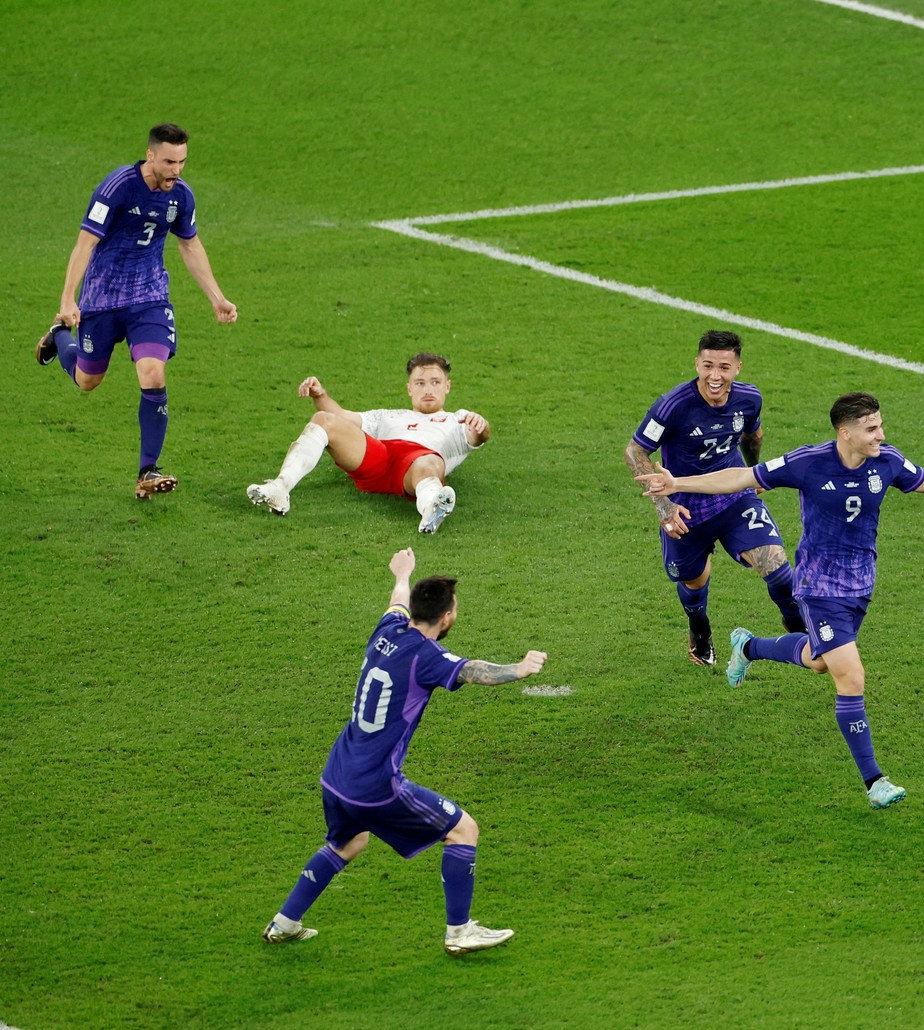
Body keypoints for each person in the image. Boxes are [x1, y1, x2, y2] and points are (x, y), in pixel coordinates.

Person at [638, 392, 924, 809]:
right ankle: (875, 783)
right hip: (818, 587)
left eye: (880, 425)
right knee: (850, 677)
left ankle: (747, 647)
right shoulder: (808, 462)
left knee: (820, 662)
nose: (881, 434)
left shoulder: (886, 460)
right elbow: (742, 477)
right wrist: (677, 484)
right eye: (872, 428)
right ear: (846, 432)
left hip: (861, 585)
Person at [262, 547, 548, 954]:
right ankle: (460, 931)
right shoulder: (425, 657)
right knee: (463, 829)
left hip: (338, 773)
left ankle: (285, 922)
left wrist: (402, 573)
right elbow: (472, 671)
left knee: (349, 843)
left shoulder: (387, 631)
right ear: (447, 617)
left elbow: (396, 602)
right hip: (377, 785)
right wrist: (518, 669)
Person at [36, 123, 238, 500]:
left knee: (153, 373)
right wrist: (68, 299)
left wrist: (217, 297)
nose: (176, 170)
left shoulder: (181, 196)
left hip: (149, 297)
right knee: (87, 381)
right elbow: (85, 243)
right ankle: (59, 336)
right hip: (102, 298)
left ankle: (148, 470)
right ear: (150, 156)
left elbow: (190, 246)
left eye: (182, 161)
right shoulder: (116, 188)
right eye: (168, 162)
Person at [624, 330, 805, 667]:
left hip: (733, 494)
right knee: (693, 580)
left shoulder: (749, 399)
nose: (714, 376)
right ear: (697, 364)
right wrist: (664, 507)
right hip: (685, 508)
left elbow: (753, 434)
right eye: (707, 366)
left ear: (737, 368)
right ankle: (699, 627)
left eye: (724, 367)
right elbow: (635, 451)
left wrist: (754, 472)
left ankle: (799, 629)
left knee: (777, 567)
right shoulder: (673, 406)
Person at [247, 353, 489, 533]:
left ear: (447, 386)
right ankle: (280, 488)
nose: (428, 389)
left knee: (429, 461)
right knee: (323, 420)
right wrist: (320, 395)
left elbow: (478, 436)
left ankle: (430, 510)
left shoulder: (458, 419)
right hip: (379, 458)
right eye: (420, 383)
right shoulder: (388, 415)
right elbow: (342, 417)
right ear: (409, 389)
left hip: (418, 468)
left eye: (435, 382)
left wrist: (480, 426)